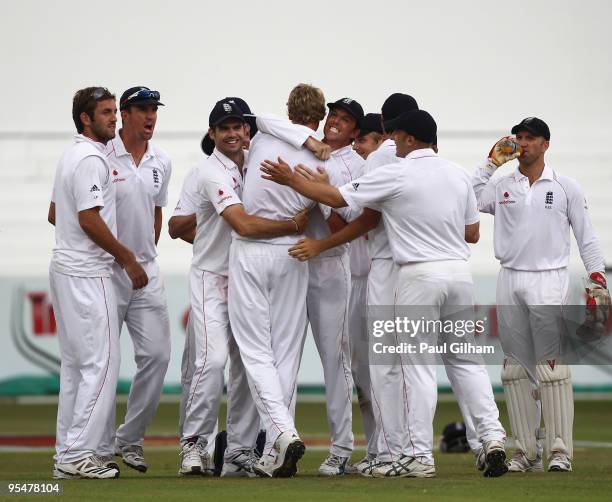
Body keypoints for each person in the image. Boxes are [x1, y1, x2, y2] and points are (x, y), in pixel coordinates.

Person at [260, 108, 508, 478]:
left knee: (416, 369)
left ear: (408, 138)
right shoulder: (457, 174)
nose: (391, 141)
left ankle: (418, 456)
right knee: (467, 361)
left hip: (417, 274)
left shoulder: (395, 170)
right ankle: (492, 438)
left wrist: (292, 180)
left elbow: (339, 198)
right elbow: (472, 233)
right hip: (459, 272)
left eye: (395, 135)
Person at [168, 98, 309, 477]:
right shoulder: (209, 171)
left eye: (238, 126)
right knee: (211, 362)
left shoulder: (258, 166)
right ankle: (193, 445)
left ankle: (237, 451)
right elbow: (243, 227)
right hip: (211, 276)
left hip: (246, 274)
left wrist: (312, 146)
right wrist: (294, 226)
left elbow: (282, 126)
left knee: (249, 365)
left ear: (248, 130)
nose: (232, 133)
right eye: (224, 128)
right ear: (212, 134)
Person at [472, 117, 609, 473]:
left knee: (551, 367)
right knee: (515, 369)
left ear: (546, 144)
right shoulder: (503, 184)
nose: (522, 143)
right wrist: (489, 164)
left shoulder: (566, 186)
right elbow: (466, 201)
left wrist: (597, 279)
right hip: (510, 277)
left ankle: (560, 450)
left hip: (549, 278)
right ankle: (525, 451)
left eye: (530, 138)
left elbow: (587, 236)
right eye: (518, 137)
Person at [256, 96, 368, 475]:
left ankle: (340, 448)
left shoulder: (355, 165)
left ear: (355, 131)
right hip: (291, 264)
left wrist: (317, 201)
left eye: (345, 119)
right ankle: (276, 442)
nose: (335, 122)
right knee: (280, 356)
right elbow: (260, 119)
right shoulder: (302, 144)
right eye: (332, 115)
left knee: (335, 362)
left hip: (329, 267)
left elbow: (351, 225)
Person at [227, 83, 328, 478]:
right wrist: (312, 142)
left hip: (252, 251)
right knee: (285, 354)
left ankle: (282, 433)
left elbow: (258, 118)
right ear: (318, 118)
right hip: (294, 251)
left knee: (256, 353)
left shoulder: (266, 135)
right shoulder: (322, 158)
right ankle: (273, 449)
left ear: (288, 110)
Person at [48, 86, 147, 479]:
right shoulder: (90, 158)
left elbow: (56, 213)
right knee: (101, 365)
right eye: (106, 112)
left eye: (113, 111)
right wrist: (126, 257)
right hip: (88, 274)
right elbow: (88, 219)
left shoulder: (70, 154)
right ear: (85, 119)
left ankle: (66, 453)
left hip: (65, 267)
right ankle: (77, 455)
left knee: (75, 367)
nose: (114, 118)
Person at [92, 86, 171, 473]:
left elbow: (156, 212)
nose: (150, 116)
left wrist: (144, 255)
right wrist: (123, 258)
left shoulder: (161, 160)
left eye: (154, 109)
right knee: (105, 360)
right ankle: (101, 447)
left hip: (147, 272)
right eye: (142, 109)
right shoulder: (101, 156)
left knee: (157, 356)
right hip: (107, 272)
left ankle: (130, 438)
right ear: (124, 114)